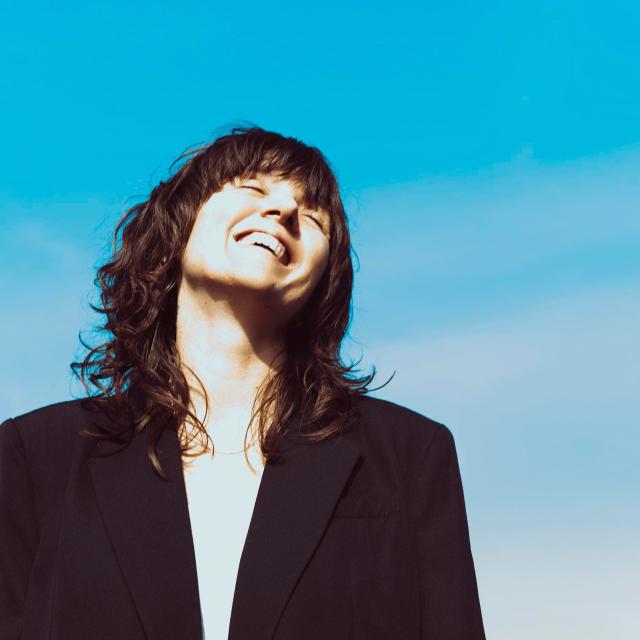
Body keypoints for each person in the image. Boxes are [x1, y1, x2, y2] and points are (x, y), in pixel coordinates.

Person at [0, 126, 486, 639]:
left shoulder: (410, 454)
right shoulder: (35, 456)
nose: (285, 210)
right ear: (179, 225)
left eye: (313, 217)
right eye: (253, 187)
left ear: (325, 279)